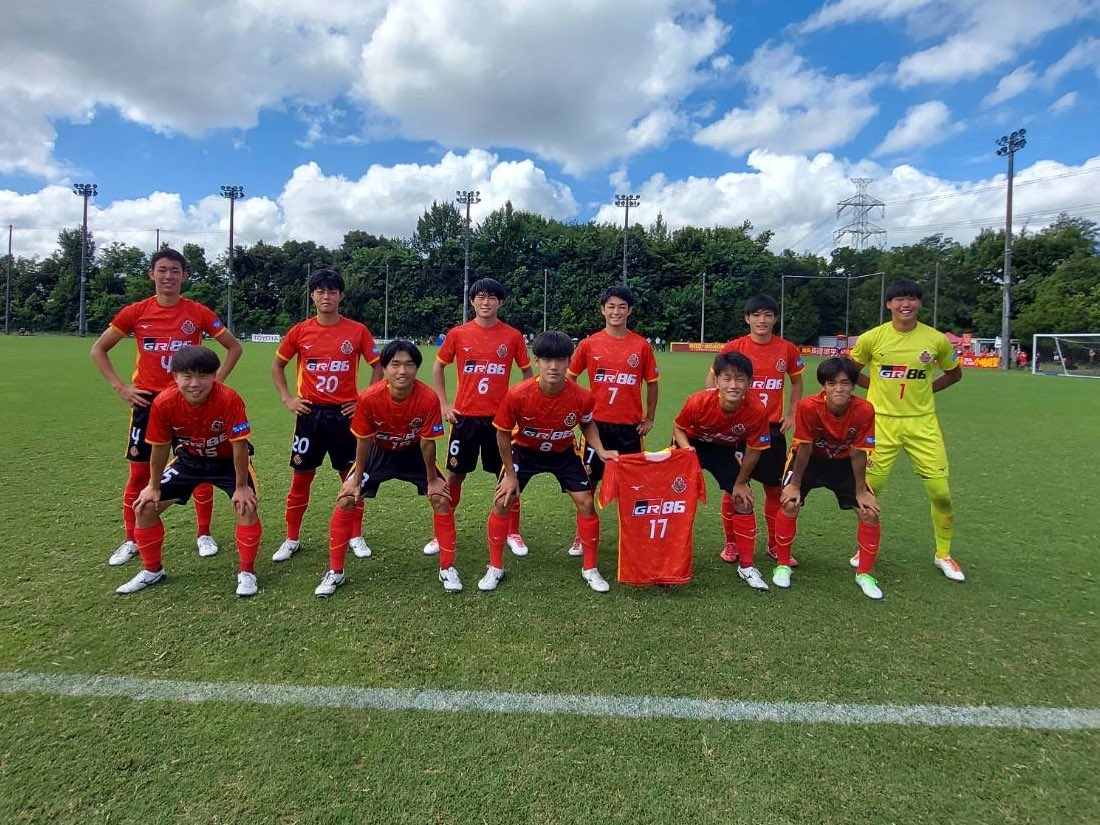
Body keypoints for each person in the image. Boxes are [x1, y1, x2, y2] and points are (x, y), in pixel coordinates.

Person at [91, 247, 242, 567]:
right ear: (152, 274)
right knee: (139, 473)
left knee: (201, 469)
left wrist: (215, 384)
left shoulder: (198, 312)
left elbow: (233, 347)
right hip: (148, 403)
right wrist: (121, 387)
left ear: (184, 275)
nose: (168, 276)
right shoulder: (135, 312)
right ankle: (131, 538)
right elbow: (98, 349)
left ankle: (204, 533)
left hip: (192, 403)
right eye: (162, 270)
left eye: (175, 270)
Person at [115, 345, 261, 597]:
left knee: (245, 506)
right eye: (187, 376)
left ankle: (247, 572)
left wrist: (241, 487)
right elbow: (160, 447)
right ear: (175, 377)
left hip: (227, 462)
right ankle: (152, 570)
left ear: (214, 376)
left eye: (203, 376)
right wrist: (153, 486)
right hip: (189, 461)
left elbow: (239, 446)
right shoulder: (164, 402)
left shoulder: (229, 398)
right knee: (145, 506)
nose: (195, 384)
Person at [479, 331, 619, 593]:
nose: (553, 366)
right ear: (537, 361)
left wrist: (600, 449)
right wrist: (510, 475)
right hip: (524, 451)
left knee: (586, 502)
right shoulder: (518, 394)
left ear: (569, 362)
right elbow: (502, 433)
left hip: (562, 452)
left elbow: (587, 423)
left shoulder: (582, 396)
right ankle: (495, 567)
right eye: (547, 360)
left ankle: (590, 568)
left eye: (560, 360)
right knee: (502, 500)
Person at [316, 340, 458, 597]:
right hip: (378, 451)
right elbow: (363, 440)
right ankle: (335, 571)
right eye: (395, 364)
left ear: (417, 368)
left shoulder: (428, 398)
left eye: (409, 365)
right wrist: (356, 479)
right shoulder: (368, 398)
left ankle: (447, 568)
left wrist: (432, 480)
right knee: (346, 498)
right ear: (384, 368)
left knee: (441, 498)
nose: (402, 371)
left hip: (413, 452)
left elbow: (427, 443)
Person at [849, 278, 965, 582]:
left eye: (912, 298)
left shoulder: (935, 340)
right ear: (889, 304)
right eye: (899, 299)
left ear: (920, 303)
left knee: (941, 493)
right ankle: (865, 549)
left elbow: (954, 374)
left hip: (922, 424)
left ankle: (944, 555)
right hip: (880, 423)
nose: (906, 304)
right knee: (869, 492)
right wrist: (875, 388)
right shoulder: (872, 338)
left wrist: (926, 390)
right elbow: (849, 371)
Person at [270, 268, 381, 563]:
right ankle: (291, 538)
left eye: (332, 291)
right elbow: (277, 366)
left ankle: (355, 535)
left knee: (352, 477)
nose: (326, 296)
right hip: (310, 415)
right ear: (312, 296)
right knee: (301, 478)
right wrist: (288, 398)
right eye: (320, 291)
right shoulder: (300, 331)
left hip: (345, 416)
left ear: (341, 296)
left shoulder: (357, 330)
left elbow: (378, 366)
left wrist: (363, 401)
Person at [429, 278, 532, 556]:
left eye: (492, 298)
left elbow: (527, 373)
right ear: (472, 301)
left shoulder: (512, 336)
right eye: (480, 297)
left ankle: (512, 532)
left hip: (499, 421)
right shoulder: (458, 334)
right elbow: (438, 367)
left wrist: (520, 406)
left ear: (500, 302)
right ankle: (442, 532)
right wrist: (444, 404)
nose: (486, 302)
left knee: (507, 476)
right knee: (454, 476)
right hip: (464, 419)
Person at [773, 357, 883, 599]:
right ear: (823, 386)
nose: (839, 389)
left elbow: (859, 452)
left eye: (845, 383)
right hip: (809, 461)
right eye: (832, 383)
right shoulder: (808, 406)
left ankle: (865, 574)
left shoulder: (865, 409)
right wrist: (795, 485)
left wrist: (861, 490)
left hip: (844, 462)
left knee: (869, 512)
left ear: (853, 385)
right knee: (789, 503)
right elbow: (804, 448)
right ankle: (782, 565)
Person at [707, 295, 804, 567]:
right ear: (747, 318)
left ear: (775, 319)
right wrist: (720, 408)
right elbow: (713, 377)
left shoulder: (787, 349)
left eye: (768, 315)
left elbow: (797, 382)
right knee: (734, 488)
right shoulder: (734, 347)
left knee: (774, 490)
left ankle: (774, 544)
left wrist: (791, 413)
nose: (762, 320)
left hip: (772, 429)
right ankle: (731, 542)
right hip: (738, 428)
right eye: (756, 315)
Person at [565, 285, 659, 555]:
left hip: (629, 429)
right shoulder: (589, 344)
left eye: (621, 307)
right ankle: (581, 536)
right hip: (596, 427)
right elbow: (569, 379)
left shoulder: (641, 346)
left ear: (630, 311)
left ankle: (632, 537)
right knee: (587, 484)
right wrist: (576, 410)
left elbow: (652, 383)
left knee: (632, 486)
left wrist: (650, 418)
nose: (616, 311)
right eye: (611, 307)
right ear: (602, 310)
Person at [674, 352, 772, 591]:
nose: (733, 385)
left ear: (749, 382)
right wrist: (687, 451)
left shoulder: (757, 410)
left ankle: (746, 566)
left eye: (740, 379)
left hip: (723, 450)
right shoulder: (698, 402)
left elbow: (754, 451)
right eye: (727, 379)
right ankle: (671, 557)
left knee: (743, 500)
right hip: (691, 446)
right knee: (674, 500)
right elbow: (678, 428)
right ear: (716, 381)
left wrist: (740, 482)